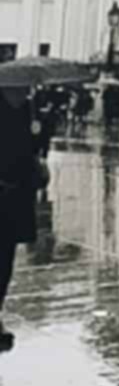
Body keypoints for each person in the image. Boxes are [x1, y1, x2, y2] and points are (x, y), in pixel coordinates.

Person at [0, 86, 46, 353]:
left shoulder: (29, 108)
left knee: (5, 260)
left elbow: (32, 149)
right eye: (19, 88)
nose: (24, 91)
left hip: (18, 196)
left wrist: (39, 134)